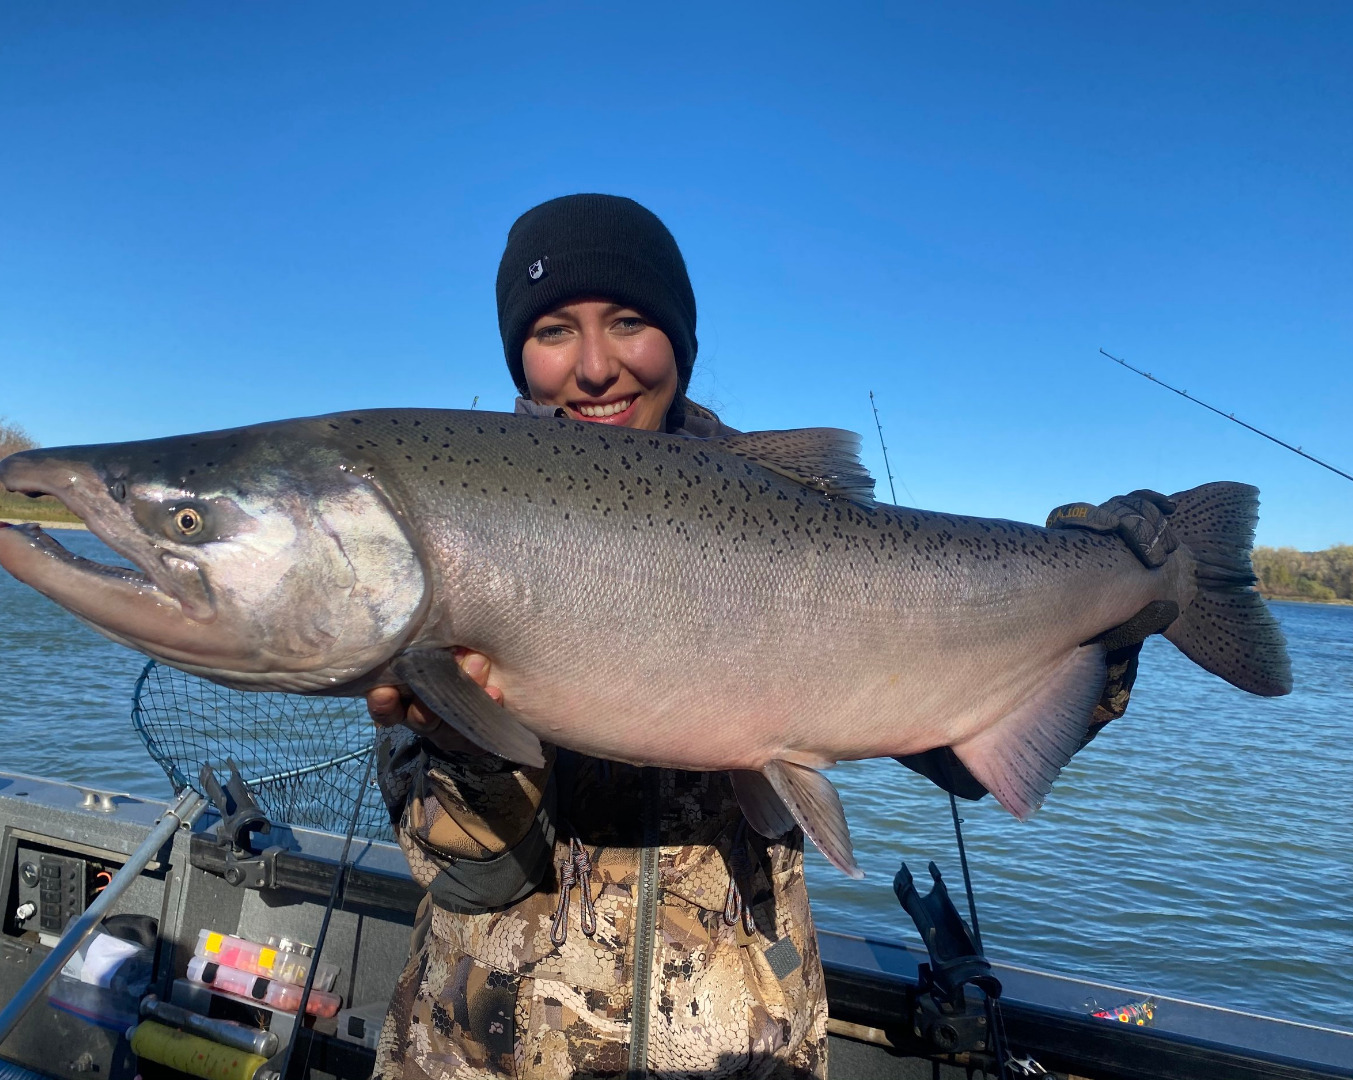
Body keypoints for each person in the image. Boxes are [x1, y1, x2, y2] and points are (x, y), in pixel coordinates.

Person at [367, 194, 1176, 1079]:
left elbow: (958, 762)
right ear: (520, 354)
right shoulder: (457, 532)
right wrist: (470, 747)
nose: (594, 366)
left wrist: (1119, 608)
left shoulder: (788, 509)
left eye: (629, 321)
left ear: (678, 337)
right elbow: (474, 878)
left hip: (748, 1050)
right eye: (554, 330)